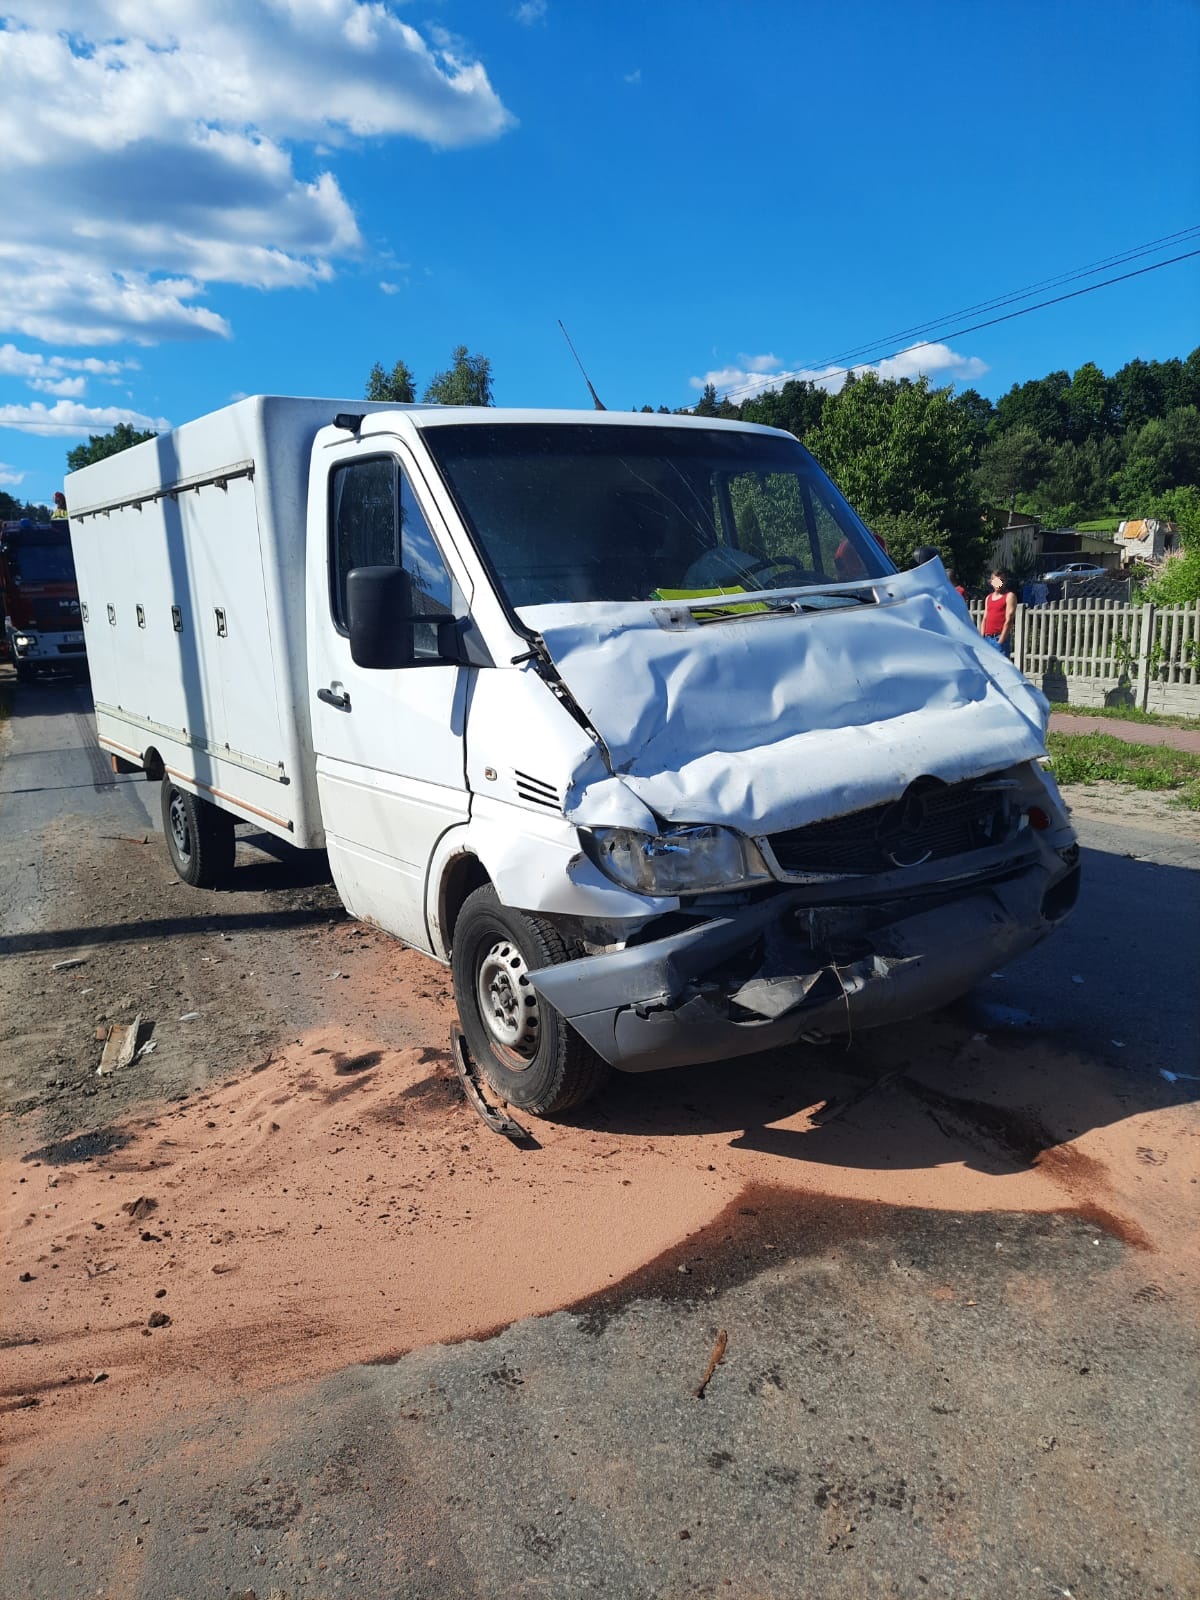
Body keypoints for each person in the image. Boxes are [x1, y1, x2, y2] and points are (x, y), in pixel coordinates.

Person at [982, 567, 1017, 656]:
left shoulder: (1009, 596)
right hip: (987, 639)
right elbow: (985, 619)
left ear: (1005, 581)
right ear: (991, 582)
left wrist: (1000, 641)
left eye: (1001, 580)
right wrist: (981, 638)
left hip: (999, 639)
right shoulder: (988, 598)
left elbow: (1009, 620)